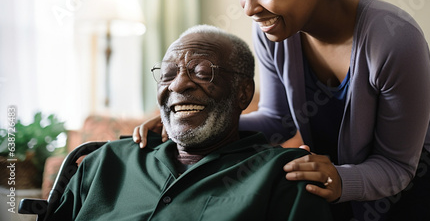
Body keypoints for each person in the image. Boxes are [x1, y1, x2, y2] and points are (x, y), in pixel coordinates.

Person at [134, 0, 430, 221]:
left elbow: (396, 166)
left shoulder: (394, 40)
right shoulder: (274, 31)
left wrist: (342, 179)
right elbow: (277, 120)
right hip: (341, 162)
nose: (249, 8)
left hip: (411, 165)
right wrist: (191, 125)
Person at [49, 25, 332, 221]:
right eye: (168, 74)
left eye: (201, 72)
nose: (179, 84)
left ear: (243, 93)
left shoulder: (286, 175)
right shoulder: (104, 162)